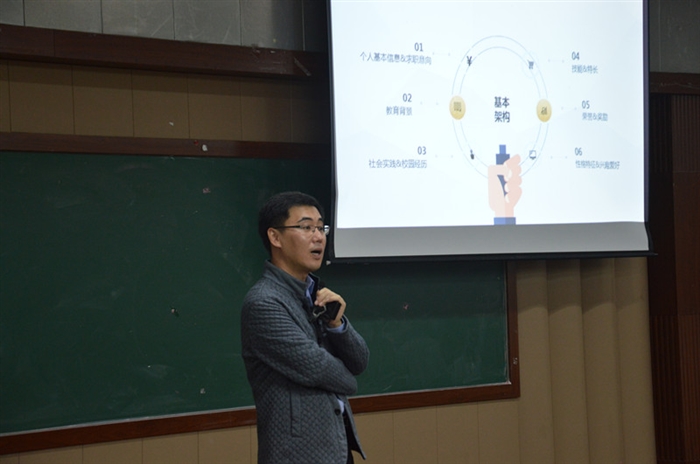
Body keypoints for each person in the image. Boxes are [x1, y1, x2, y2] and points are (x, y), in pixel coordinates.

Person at [241, 191, 369, 464]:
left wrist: (336, 324)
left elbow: (359, 361)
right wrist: (349, 380)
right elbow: (322, 369)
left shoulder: (316, 295)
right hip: (296, 455)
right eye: (306, 227)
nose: (318, 237)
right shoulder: (264, 303)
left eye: (321, 228)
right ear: (275, 237)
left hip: (335, 446)